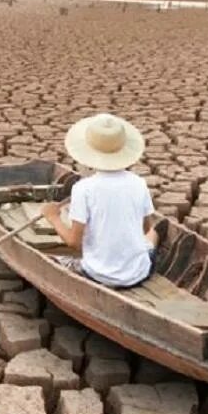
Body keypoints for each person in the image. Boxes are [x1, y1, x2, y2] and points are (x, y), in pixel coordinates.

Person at [41, 112, 158, 288]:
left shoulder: (83, 188)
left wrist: (53, 218)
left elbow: (74, 243)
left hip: (98, 275)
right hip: (139, 273)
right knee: (154, 234)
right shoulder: (139, 183)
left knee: (58, 257)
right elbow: (146, 228)